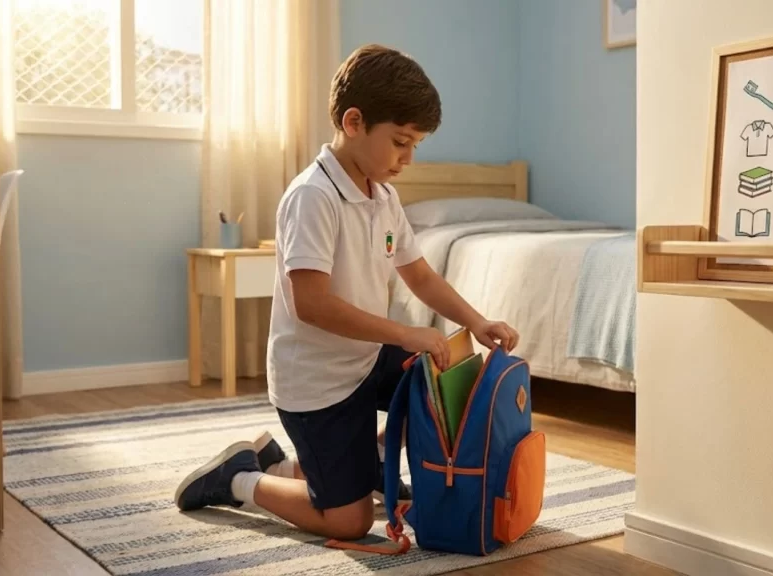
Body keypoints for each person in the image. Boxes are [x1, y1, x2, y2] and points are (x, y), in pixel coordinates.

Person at [172, 44, 519, 542]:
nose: (409, 158)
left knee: (443, 372)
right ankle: (241, 477)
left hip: (364, 359)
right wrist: (404, 332)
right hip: (318, 384)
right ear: (354, 122)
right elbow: (311, 305)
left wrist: (478, 322)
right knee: (350, 521)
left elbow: (419, 275)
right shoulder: (313, 197)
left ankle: (364, 455)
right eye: (401, 141)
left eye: (416, 144)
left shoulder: (383, 195)